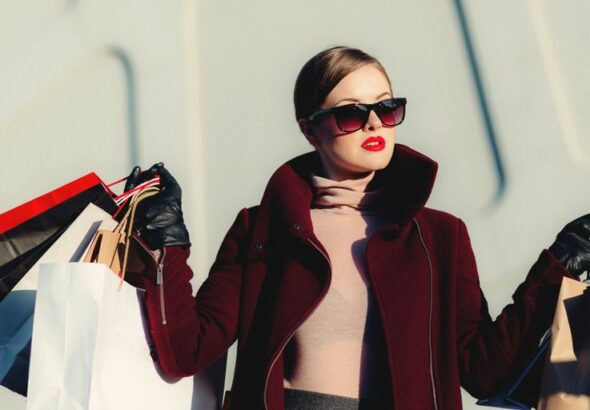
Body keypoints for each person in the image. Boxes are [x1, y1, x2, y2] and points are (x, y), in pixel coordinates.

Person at [125, 46, 590, 410]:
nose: (373, 123)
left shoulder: (440, 237)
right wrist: (168, 241)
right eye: (350, 112)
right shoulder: (263, 228)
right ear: (310, 130)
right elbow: (187, 350)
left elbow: (483, 371)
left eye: (386, 109)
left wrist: (558, 264)